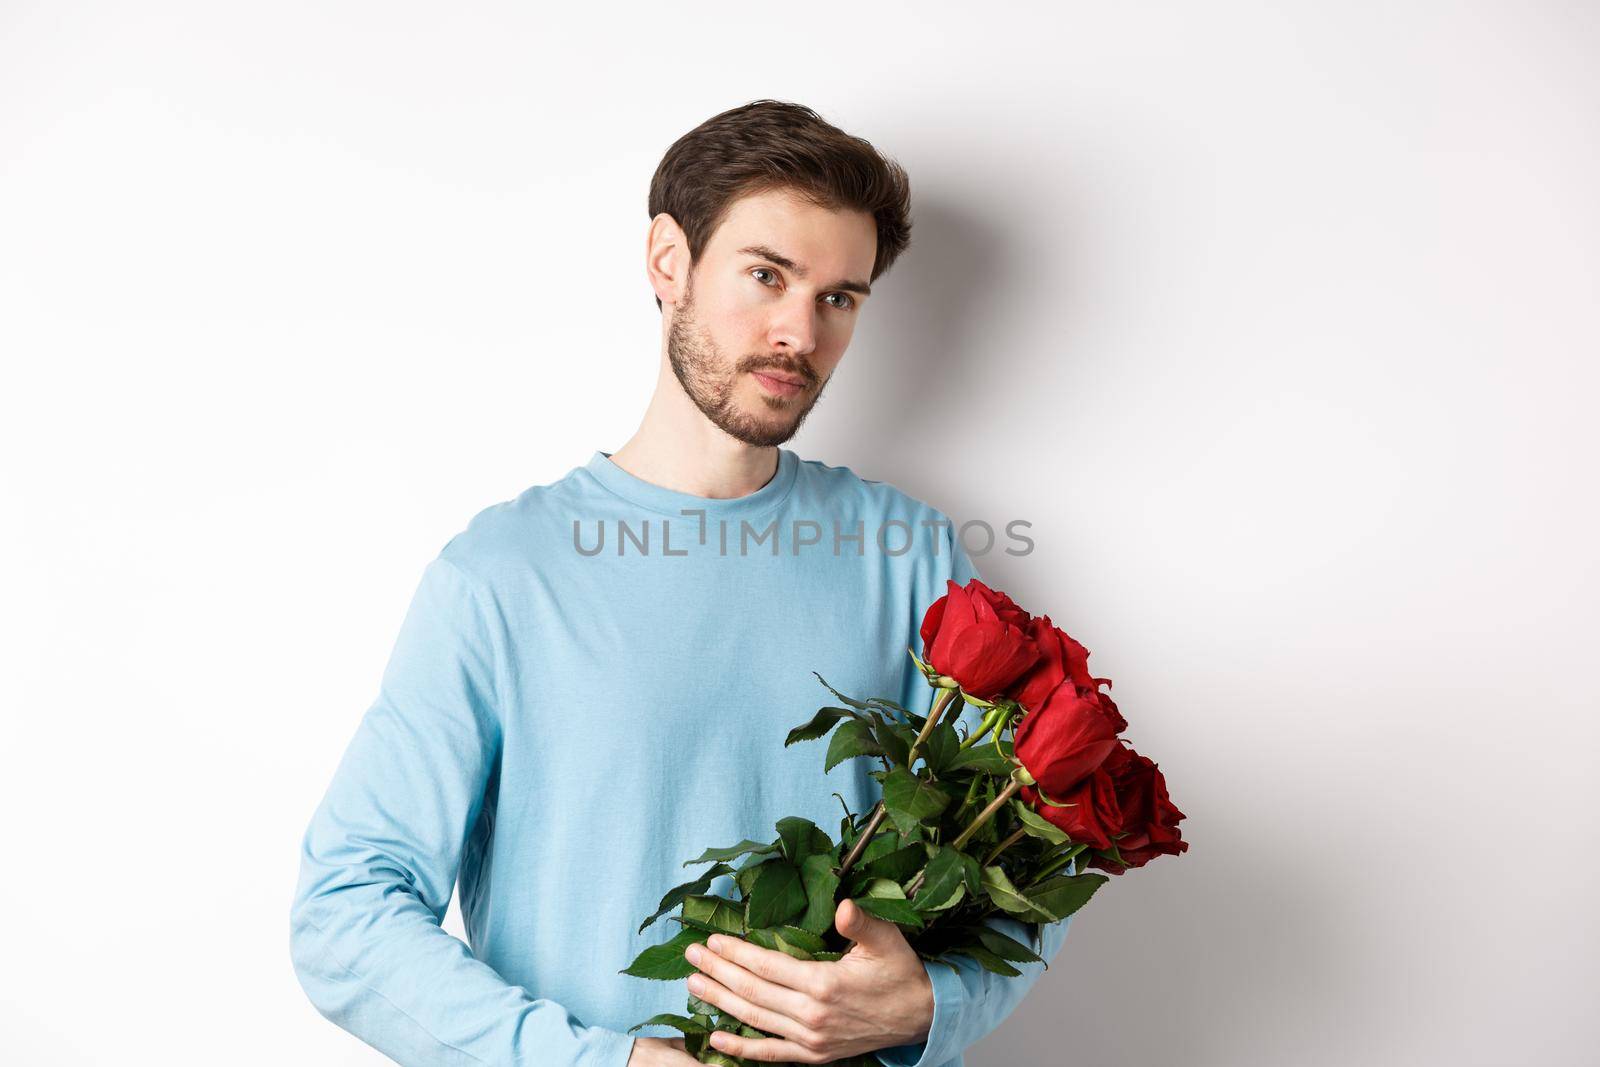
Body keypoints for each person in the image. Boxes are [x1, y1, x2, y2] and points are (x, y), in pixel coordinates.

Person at [289, 98, 1074, 1067]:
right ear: (669, 262)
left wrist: (926, 1002)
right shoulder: (502, 575)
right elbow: (347, 912)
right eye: (766, 275)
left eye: (840, 297)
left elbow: (1035, 848)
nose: (800, 331)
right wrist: (599, 1062)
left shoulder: (906, 552)